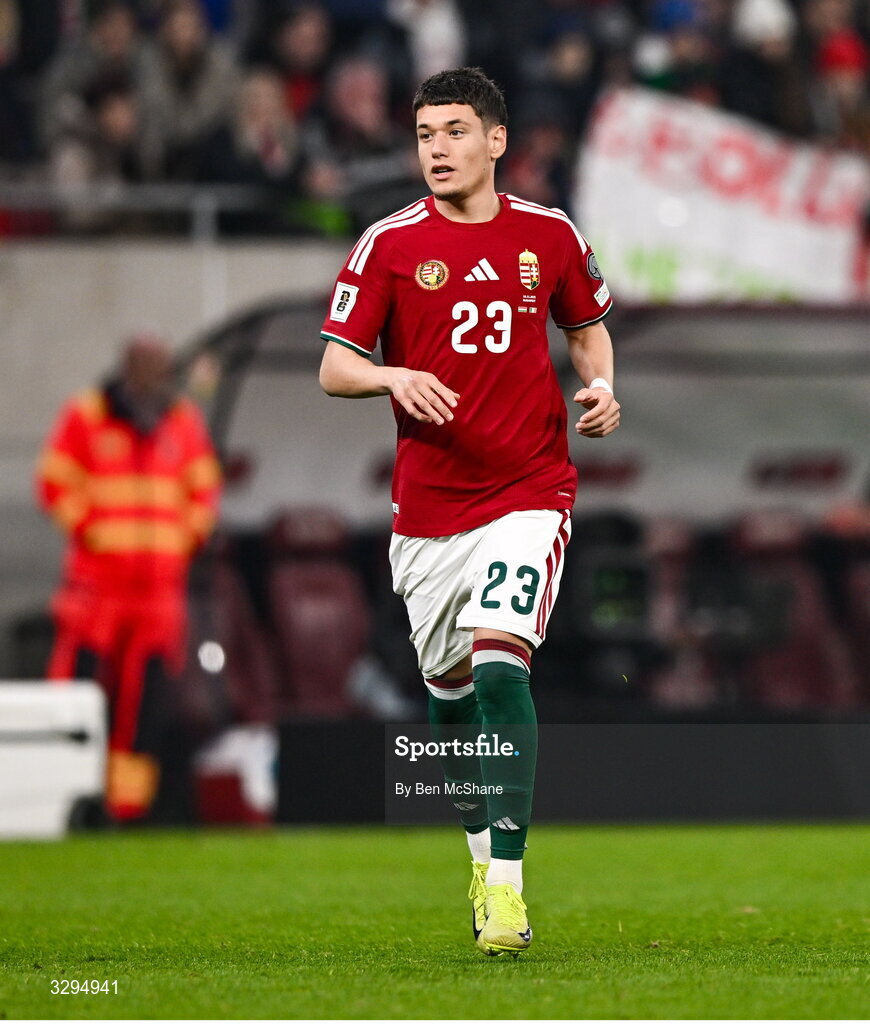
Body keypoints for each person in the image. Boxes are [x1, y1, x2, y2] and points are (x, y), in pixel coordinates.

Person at [318, 66, 619, 955]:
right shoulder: (389, 245)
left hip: (529, 491)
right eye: (424, 135)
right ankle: (481, 857)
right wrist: (389, 372)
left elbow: (588, 326)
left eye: (454, 132)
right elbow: (334, 364)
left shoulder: (549, 235)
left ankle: (511, 889)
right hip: (428, 515)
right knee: (449, 702)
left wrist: (601, 387)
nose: (437, 150)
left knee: (499, 670)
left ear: (496, 140)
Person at [36, 334, 222, 822]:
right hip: (96, 588)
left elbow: (204, 491)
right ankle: (68, 796)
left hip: (159, 594)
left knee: (148, 704)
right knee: (80, 692)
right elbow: (53, 480)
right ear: (127, 367)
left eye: (161, 368)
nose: (156, 377)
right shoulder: (88, 414)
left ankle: (126, 809)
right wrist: (89, 529)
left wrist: (186, 539)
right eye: (148, 367)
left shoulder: (181, 421)